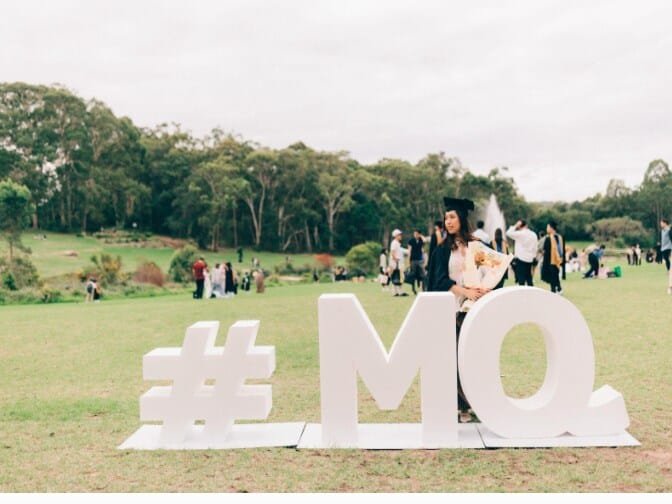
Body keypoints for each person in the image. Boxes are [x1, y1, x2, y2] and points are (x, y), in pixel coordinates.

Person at [428, 197, 491, 423]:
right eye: (446, 218)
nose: (448, 221)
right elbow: (439, 280)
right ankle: (462, 407)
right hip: (453, 310)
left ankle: (480, 404)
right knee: (455, 358)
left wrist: (485, 289)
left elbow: (493, 272)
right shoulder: (442, 250)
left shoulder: (477, 246)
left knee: (475, 357)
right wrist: (466, 292)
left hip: (475, 310)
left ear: (462, 219)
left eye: (452, 217)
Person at [506, 220, 537, 286]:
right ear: (526, 225)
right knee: (529, 278)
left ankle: (522, 291)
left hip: (521, 259)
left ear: (520, 226)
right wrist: (533, 256)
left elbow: (508, 233)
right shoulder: (533, 234)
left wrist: (515, 225)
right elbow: (535, 247)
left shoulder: (520, 234)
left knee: (521, 279)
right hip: (530, 259)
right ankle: (531, 291)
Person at [540, 221, 564, 294]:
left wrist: (559, 258)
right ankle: (556, 289)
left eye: (548, 227)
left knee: (554, 275)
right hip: (550, 259)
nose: (547, 229)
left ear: (551, 228)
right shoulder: (550, 237)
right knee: (553, 275)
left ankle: (556, 289)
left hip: (553, 259)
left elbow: (559, 249)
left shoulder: (555, 237)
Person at [389, 229, 408, 297]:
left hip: (398, 263)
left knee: (398, 277)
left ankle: (397, 292)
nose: (400, 236)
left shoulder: (397, 243)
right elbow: (392, 252)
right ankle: (397, 292)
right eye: (399, 235)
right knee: (397, 277)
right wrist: (395, 260)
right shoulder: (394, 243)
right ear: (396, 236)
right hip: (396, 263)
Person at [407, 229, 425, 295]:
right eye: (414, 234)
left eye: (417, 234)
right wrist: (409, 260)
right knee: (413, 274)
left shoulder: (421, 240)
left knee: (422, 275)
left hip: (420, 260)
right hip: (413, 260)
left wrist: (424, 259)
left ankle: (423, 288)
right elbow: (409, 251)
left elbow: (423, 248)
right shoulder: (411, 241)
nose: (415, 235)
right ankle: (413, 289)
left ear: (419, 234)